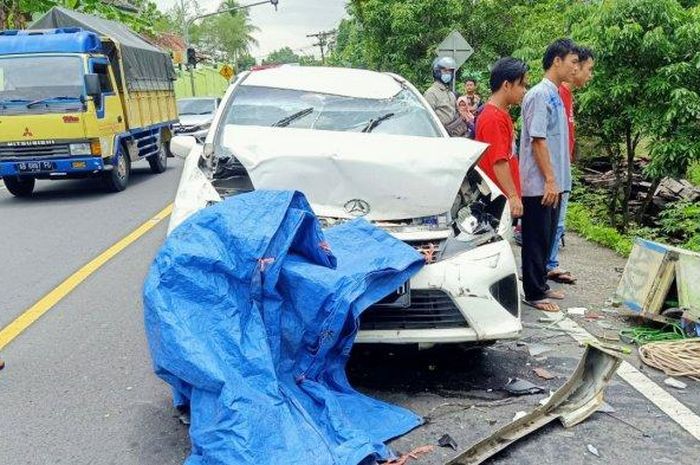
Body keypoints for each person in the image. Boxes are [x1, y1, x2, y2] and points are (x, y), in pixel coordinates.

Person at [519, 38, 578, 312]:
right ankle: (532, 291)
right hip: (540, 184)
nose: (575, 68)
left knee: (547, 237)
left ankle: (540, 284)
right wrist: (550, 180)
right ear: (557, 60)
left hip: (554, 182)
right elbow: (538, 139)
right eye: (573, 62)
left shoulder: (556, 93)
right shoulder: (540, 94)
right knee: (536, 237)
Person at [546, 46, 595, 285]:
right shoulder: (556, 95)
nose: (588, 74)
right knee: (556, 221)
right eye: (587, 68)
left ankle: (551, 263)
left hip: (562, 167)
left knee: (558, 220)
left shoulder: (567, 95)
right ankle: (548, 265)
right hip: (554, 170)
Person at [475, 57, 529, 219]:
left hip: (501, 196)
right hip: (497, 199)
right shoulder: (493, 118)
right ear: (506, 85)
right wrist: (512, 196)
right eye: (521, 85)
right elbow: (499, 161)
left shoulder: (501, 113)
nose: (524, 90)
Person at [424, 56, 470, 137]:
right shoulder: (431, 93)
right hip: (439, 136)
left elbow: (455, 114)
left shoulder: (450, 94)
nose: (448, 74)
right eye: (445, 71)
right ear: (437, 72)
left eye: (450, 71)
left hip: (453, 135)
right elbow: (427, 119)